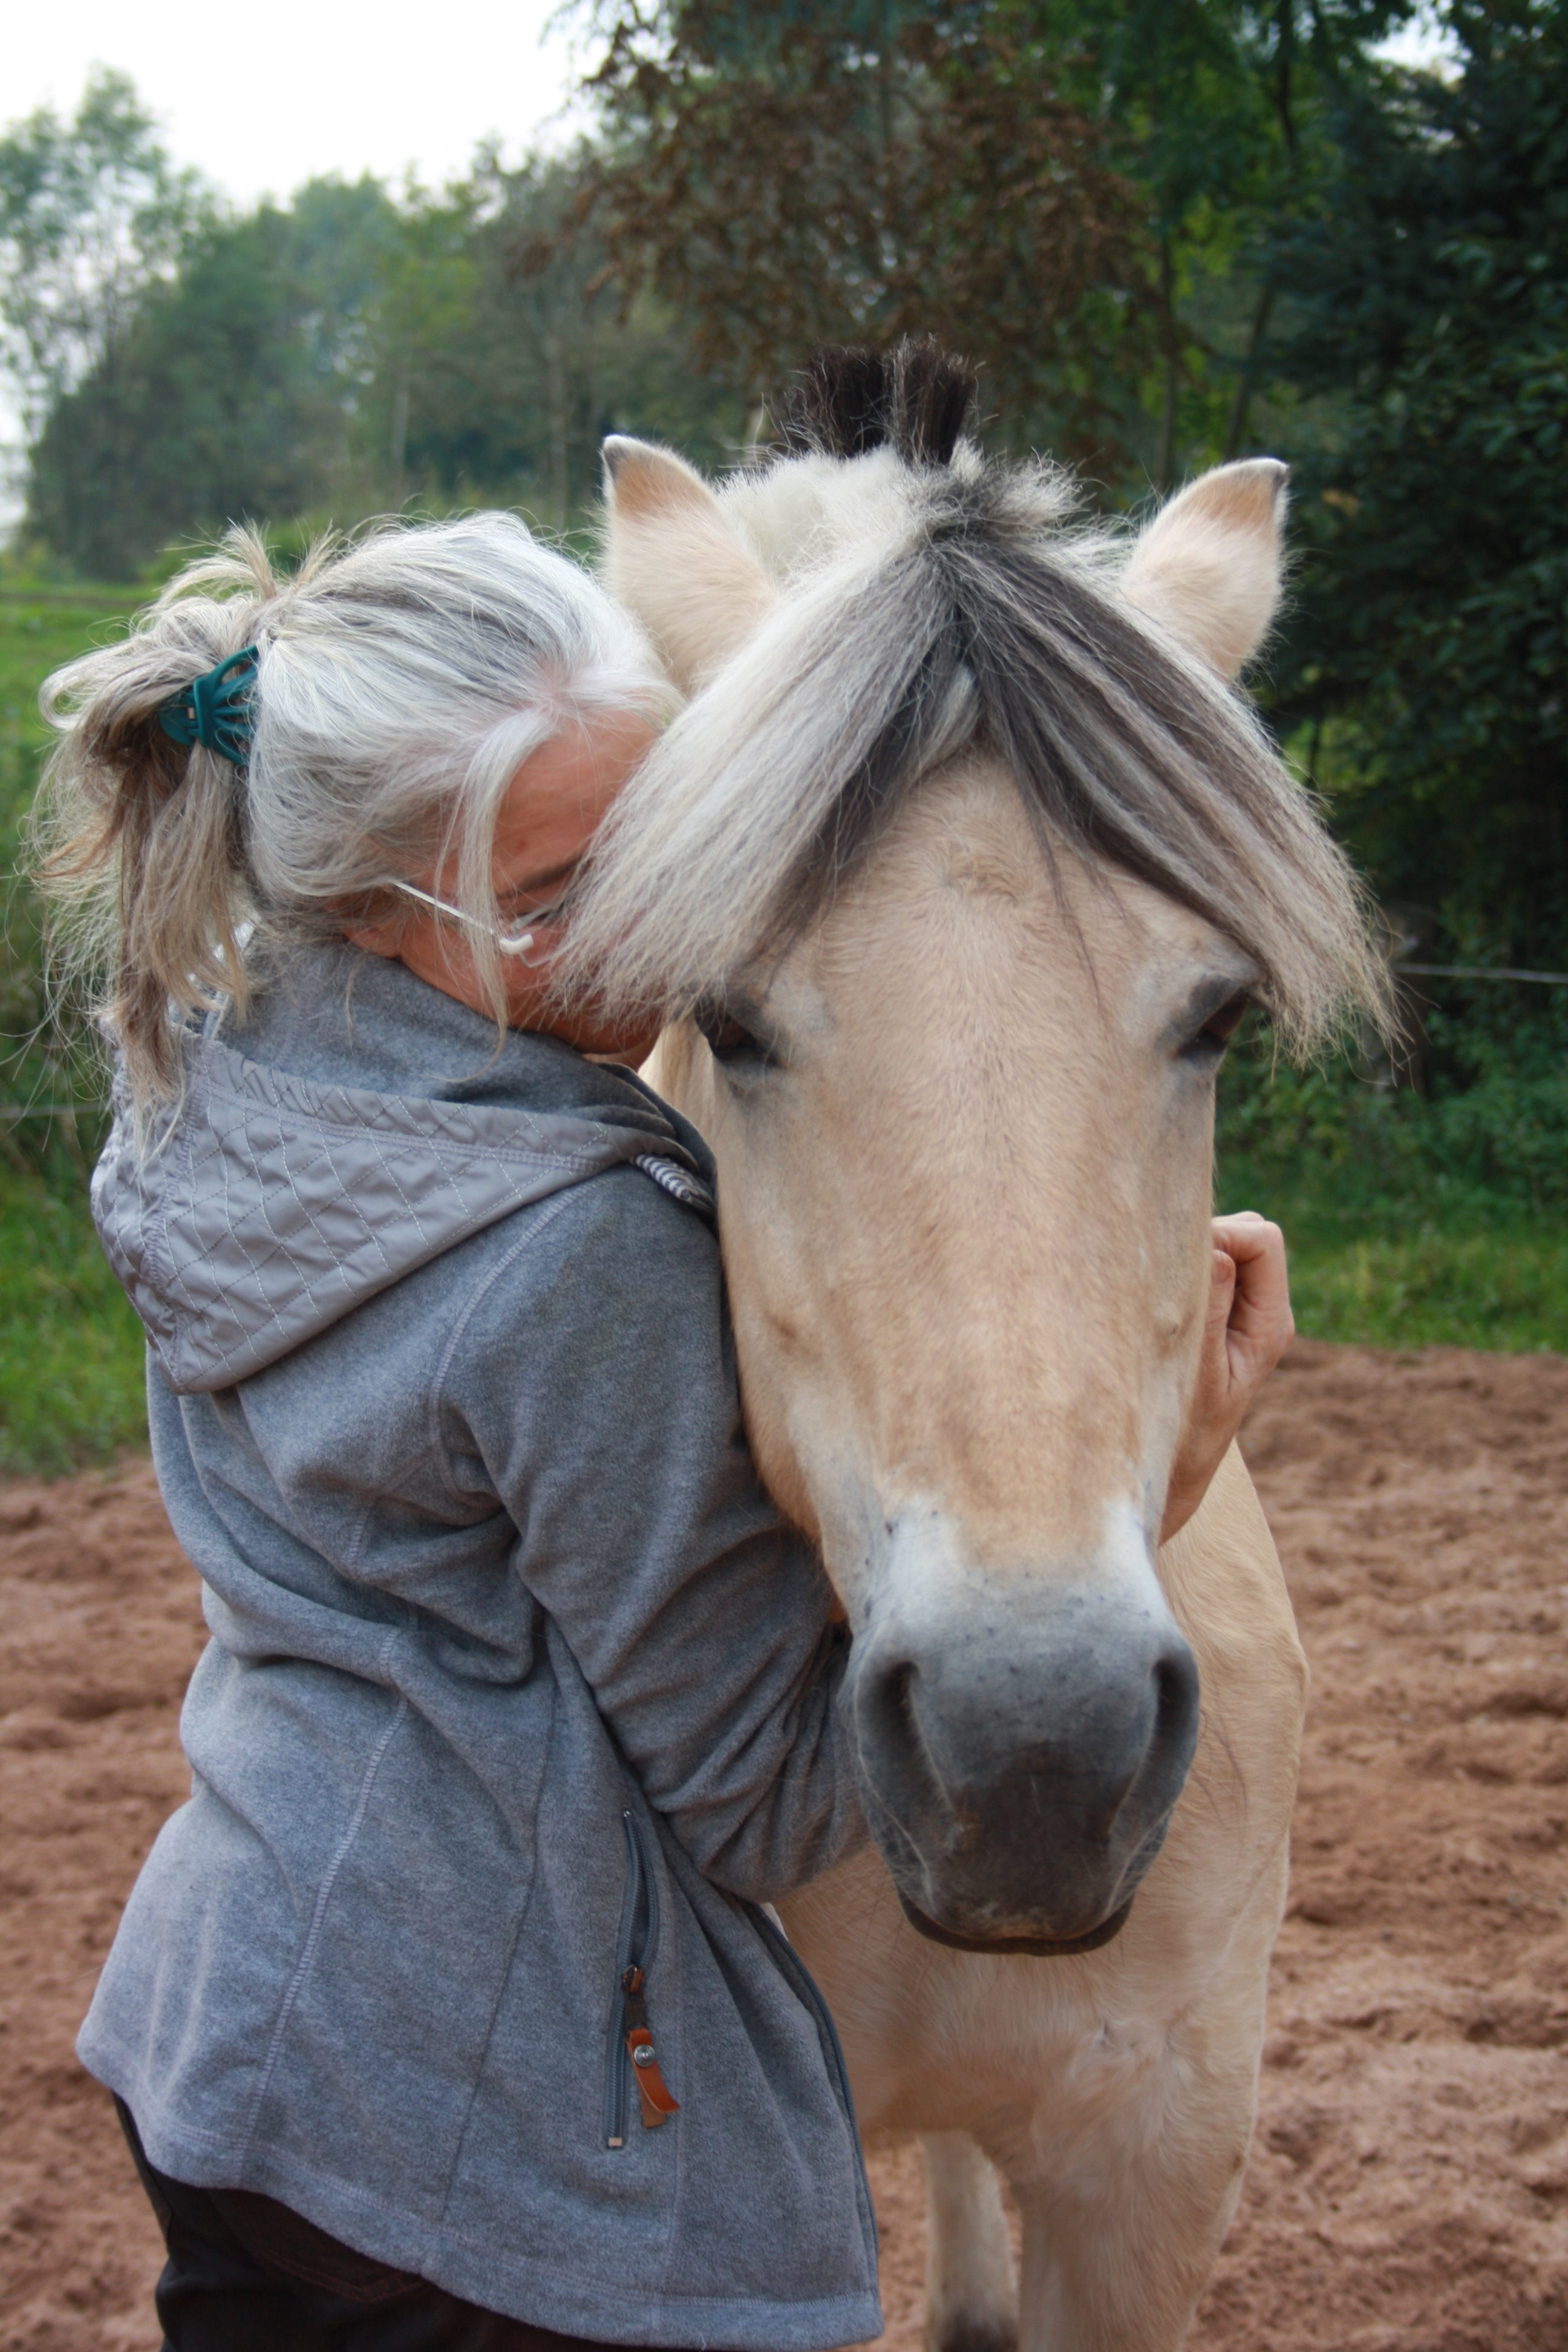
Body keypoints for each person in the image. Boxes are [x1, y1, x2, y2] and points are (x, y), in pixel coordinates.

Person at [34, 512, 1293, 2352]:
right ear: (384, 905)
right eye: (560, 896)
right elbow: (768, 1797)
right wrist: (1168, 1482)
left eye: (675, 849)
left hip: (234, 2034)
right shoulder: (575, 1248)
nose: (654, 918)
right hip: (498, 2138)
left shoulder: (201, 1099)